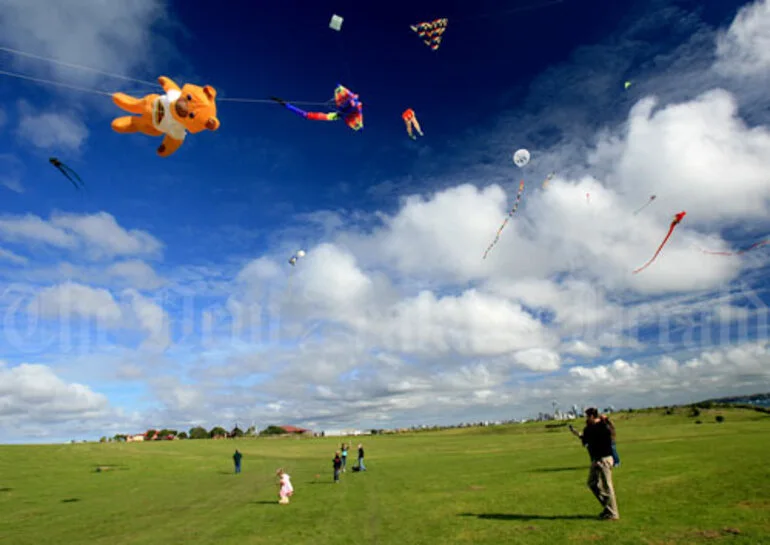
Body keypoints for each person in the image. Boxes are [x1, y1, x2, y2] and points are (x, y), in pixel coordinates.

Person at [581, 407, 619, 520]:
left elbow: (611, 433)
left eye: (587, 416)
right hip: (596, 459)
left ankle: (613, 514)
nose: (586, 419)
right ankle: (608, 509)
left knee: (607, 486)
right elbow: (587, 441)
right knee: (592, 483)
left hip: (604, 459)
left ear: (592, 416)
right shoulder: (595, 427)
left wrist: (606, 420)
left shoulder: (600, 427)